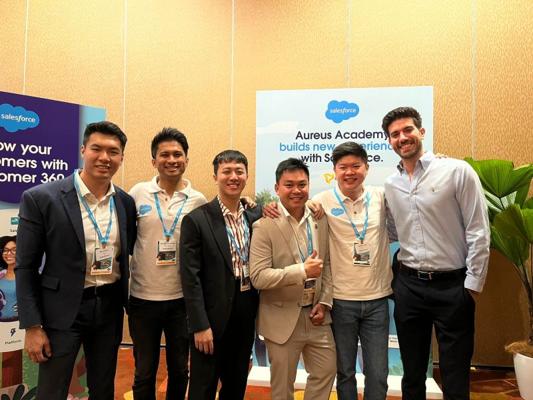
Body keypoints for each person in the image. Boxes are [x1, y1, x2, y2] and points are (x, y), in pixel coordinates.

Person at [15, 121, 137, 400]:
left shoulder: (125, 203)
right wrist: (32, 326)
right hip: (61, 311)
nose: (105, 157)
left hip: (108, 308)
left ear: (121, 157)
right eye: (97, 149)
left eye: (113, 151)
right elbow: (25, 266)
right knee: (52, 391)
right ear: (83, 150)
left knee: (103, 388)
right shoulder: (42, 198)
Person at [382, 107, 490, 400]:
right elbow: (393, 231)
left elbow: (478, 230)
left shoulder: (456, 171)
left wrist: (471, 286)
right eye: (395, 134)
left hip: (453, 286)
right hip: (409, 287)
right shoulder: (391, 185)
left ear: (421, 131)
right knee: (412, 373)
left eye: (408, 130)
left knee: (455, 373)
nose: (402, 137)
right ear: (390, 141)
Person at [128, 128, 207, 400]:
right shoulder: (138, 193)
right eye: (164, 155)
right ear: (154, 161)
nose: (171, 160)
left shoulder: (198, 200)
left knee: (179, 369)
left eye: (177, 154)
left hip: (181, 300)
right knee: (144, 371)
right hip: (142, 298)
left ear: (186, 159)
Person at [250, 158, 336, 400]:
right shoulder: (264, 225)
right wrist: (301, 271)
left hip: (317, 315)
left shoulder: (320, 218)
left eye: (302, 184)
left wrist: (325, 302)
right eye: (289, 185)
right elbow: (258, 277)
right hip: (281, 318)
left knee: (326, 371)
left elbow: (328, 265)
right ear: (277, 188)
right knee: (282, 389)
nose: (296, 190)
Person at [312, 142, 392, 400]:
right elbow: (290, 209)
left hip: (377, 300)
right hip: (340, 301)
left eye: (356, 166)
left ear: (366, 168)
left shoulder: (382, 196)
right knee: (344, 372)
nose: (349, 172)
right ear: (334, 171)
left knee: (378, 373)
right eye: (342, 167)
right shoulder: (321, 201)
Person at [179, 150, 262, 400]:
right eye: (226, 171)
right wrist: (199, 325)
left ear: (246, 176)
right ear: (215, 176)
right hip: (211, 318)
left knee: (236, 385)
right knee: (203, 387)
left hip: (245, 311)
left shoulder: (255, 216)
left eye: (239, 171)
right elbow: (190, 278)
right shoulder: (197, 220)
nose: (233, 177)